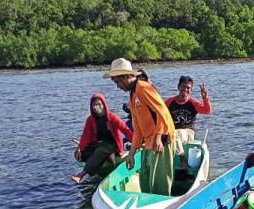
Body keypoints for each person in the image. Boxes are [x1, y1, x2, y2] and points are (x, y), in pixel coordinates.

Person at [104, 58, 176, 196]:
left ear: (126, 76)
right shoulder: (132, 96)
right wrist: (131, 153)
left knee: (159, 183)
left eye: (118, 82)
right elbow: (137, 128)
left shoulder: (143, 87)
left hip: (161, 140)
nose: (117, 86)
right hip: (148, 142)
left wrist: (159, 137)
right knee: (145, 180)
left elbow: (163, 111)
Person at [72, 93, 133, 183]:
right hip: (99, 143)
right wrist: (80, 148)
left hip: (112, 144)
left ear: (103, 105)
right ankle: (107, 157)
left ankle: (82, 174)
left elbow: (125, 129)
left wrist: (136, 142)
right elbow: (86, 135)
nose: (96, 107)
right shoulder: (90, 119)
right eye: (94, 105)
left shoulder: (112, 117)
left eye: (98, 104)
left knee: (100, 151)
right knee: (81, 154)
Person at [165, 75, 212, 145]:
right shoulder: (169, 102)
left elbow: (207, 111)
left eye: (188, 88)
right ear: (178, 87)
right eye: (183, 86)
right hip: (172, 132)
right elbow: (159, 112)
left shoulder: (193, 102)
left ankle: (181, 154)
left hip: (188, 132)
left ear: (191, 90)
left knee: (177, 134)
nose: (185, 89)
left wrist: (205, 98)